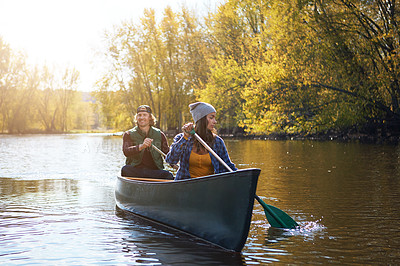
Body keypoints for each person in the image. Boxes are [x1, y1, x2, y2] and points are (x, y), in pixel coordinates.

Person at [166, 102, 237, 180]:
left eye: (214, 118)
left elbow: (228, 167)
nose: (215, 121)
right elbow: (171, 160)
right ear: (201, 119)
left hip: (209, 186)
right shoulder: (182, 138)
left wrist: (243, 175)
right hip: (185, 185)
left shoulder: (217, 142)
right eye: (211, 117)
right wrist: (185, 138)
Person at [121, 105, 173, 179]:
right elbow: (126, 151)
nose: (141, 117)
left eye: (144, 115)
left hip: (154, 171)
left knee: (169, 175)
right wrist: (141, 146)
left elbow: (167, 154)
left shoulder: (159, 134)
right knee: (125, 169)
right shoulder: (128, 134)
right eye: (139, 115)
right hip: (135, 171)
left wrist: (174, 165)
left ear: (150, 118)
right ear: (136, 118)